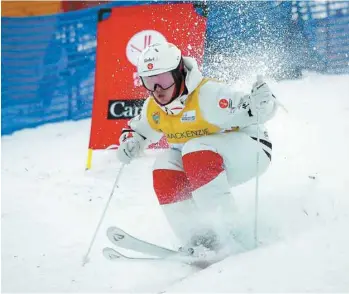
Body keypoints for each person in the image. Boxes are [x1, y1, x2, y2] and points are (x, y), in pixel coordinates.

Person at [116, 42, 278, 253]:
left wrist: (264, 102)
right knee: (164, 167)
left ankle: (239, 237)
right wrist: (131, 143)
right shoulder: (153, 109)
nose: (157, 90)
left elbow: (257, 110)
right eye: (149, 82)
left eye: (163, 80)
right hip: (204, 159)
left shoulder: (208, 95)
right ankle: (202, 240)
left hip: (252, 148)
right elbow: (138, 132)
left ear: (179, 73)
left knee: (195, 150)